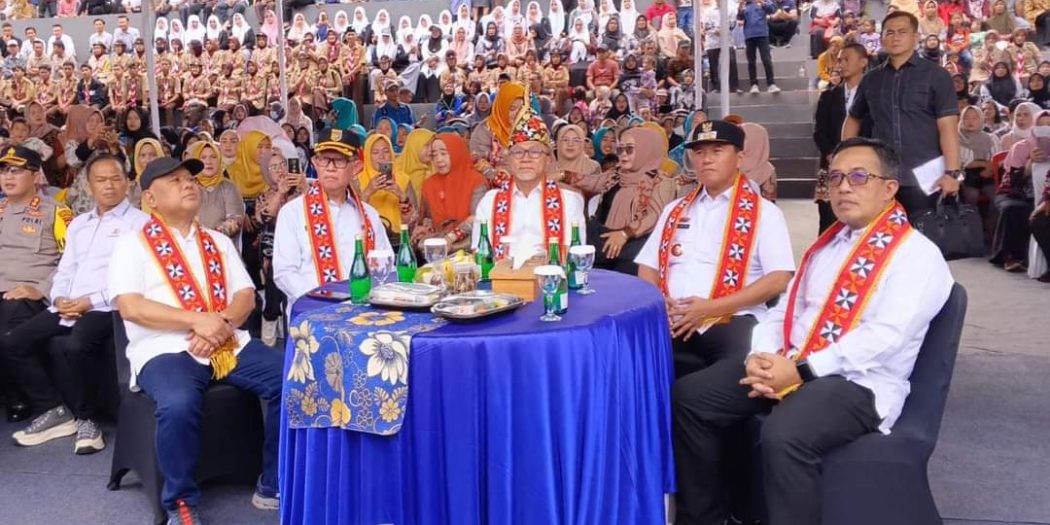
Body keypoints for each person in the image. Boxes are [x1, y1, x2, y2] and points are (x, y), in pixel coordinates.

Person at [671, 137, 953, 525]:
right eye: (835, 177)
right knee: (689, 398)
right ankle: (707, 518)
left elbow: (884, 338)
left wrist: (801, 370)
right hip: (789, 361)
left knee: (784, 435)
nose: (843, 187)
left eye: (858, 176)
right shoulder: (826, 246)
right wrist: (761, 357)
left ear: (889, 188)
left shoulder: (917, 256)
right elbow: (783, 311)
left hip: (857, 382)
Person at [108, 156, 283, 524]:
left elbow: (246, 296)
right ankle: (181, 503)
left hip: (226, 342)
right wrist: (196, 321)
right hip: (165, 349)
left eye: (190, 178)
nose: (188, 184)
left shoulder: (217, 240)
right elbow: (131, 306)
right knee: (177, 403)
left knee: (290, 377)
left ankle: (273, 481)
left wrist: (217, 324)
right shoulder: (132, 244)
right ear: (150, 199)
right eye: (174, 181)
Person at [2, 155, 147, 453]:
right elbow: (66, 268)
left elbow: (137, 278)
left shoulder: (141, 224)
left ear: (127, 183)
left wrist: (89, 301)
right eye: (101, 180)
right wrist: (59, 298)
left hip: (109, 306)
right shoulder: (79, 223)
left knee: (77, 345)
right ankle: (55, 409)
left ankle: (87, 419)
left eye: (115, 178)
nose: (109, 186)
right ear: (89, 185)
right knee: (13, 343)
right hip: (66, 304)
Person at [635, 120, 794, 376]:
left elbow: (779, 279)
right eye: (699, 152)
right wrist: (659, 302)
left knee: (738, 372)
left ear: (739, 158)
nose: (706, 159)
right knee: (628, 362)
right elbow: (648, 266)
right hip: (671, 317)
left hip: (732, 317)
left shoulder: (765, 213)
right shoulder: (674, 210)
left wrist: (710, 308)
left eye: (717, 151)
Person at [844, 11, 962, 215]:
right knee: (880, 241)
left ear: (916, 37)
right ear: (882, 39)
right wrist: (847, 160)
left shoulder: (937, 76)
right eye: (889, 32)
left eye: (902, 32)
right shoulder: (872, 79)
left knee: (921, 238)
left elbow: (948, 127)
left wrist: (952, 173)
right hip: (880, 177)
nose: (895, 37)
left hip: (925, 179)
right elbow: (853, 119)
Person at [273, 129, 392, 307]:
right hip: (313, 312)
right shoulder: (292, 213)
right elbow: (284, 273)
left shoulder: (368, 215)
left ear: (356, 167)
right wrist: (326, 299)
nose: (330, 167)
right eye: (324, 159)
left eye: (339, 160)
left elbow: (386, 266)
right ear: (315, 163)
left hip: (364, 312)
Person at [0, 146, 72, 423]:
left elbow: (72, 262)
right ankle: (14, 396)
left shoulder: (57, 213)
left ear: (35, 175)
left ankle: (50, 405)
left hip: (28, 293)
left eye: (16, 170)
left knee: (7, 331)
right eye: (4, 170)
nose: (8, 176)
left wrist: (40, 288)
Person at [472, 105, 587, 258]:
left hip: (552, 279)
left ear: (547, 160)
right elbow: (480, 256)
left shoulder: (569, 202)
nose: (526, 158)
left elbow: (576, 259)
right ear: (509, 159)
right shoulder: (489, 202)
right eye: (518, 152)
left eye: (535, 152)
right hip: (503, 280)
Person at [576, 126, 677, 274]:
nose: (623, 155)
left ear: (646, 149)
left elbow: (655, 215)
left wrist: (624, 234)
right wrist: (562, 174)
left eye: (629, 149)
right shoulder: (616, 174)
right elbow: (591, 181)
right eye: (620, 149)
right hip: (600, 242)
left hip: (634, 248)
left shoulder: (661, 181)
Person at [814, 42, 871, 233]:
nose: (842, 64)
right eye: (840, 60)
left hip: (866, 168)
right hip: (832, 166)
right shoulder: (828, 96)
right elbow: (819, 132)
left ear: (863, 62)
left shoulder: (874, 96)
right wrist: (831, 154)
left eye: (847, 59)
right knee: (828, 220)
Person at [357, 133, 419, 239]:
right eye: (375, 152)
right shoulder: (357, 180)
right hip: (368, 237)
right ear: (367, 155)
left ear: (391, 153)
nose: (382, 156)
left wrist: (402, 196)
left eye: (386, 151)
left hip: (397, 239)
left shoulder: (403, 179)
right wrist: (368, 191)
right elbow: (352, 216)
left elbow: (413, 220)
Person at [183, 140, 245, 239]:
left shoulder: (228, 187)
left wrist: (212, 236)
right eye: (203, 157)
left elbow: (235, 219)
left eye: (213, 157)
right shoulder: (187, 187)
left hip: (221, 245)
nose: (208, 162)